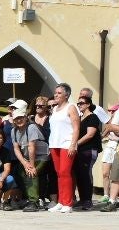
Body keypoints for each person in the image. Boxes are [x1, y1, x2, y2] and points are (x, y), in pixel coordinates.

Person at [46, 82, 81, 212]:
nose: (56, 94)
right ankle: (61, 201)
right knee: (59, 174)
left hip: (67, 144)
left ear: (66, 95)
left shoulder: (71, 107)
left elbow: (77, 127)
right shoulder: (54, 109)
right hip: (54, 144)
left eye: (59, 93)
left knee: (65, 173)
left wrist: (73, 144)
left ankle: (68, 203)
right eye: (55, 92)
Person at [10, 102, 49, 212]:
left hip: (41, 156)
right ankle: (28, 198)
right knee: (19, 171)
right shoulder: (14, 131)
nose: (19, 120)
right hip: (27, 156)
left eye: (21, 117)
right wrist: (25, 163)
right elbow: (16, 149)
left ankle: (33, 201)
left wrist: (31, 166)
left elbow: (32, 147)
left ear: (26, 117)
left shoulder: (31, 127)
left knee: (31, 173)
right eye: (17, 118)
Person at [74, 94, 102, 211]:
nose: (79, 105)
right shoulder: (80, 118)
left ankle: (88, 200)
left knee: (86, 174)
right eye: (78, 103)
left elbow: (90, 134)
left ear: (88, 104)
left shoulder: (93, 117)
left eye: (82, 103)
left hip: (89, 150)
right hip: (80, 151)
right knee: (79, 175)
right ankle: (82, 199)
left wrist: (76, 143)